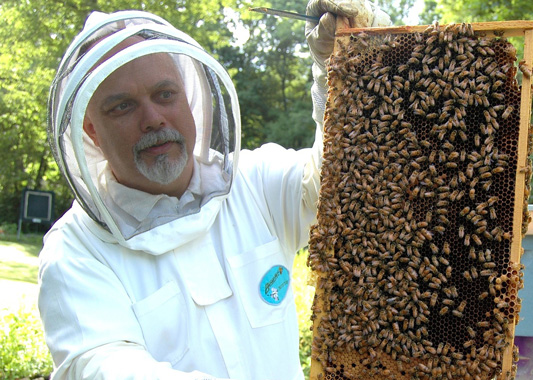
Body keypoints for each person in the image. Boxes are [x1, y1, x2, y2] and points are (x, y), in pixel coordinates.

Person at [38, 1, 390, 379]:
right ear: (90, 130)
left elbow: (345, 181)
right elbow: (102, 368)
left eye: (164, 94)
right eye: (123, 106)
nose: (153, 118)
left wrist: (348, 71)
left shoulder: (254, 182)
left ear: (189, 97)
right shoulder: (74, 251)